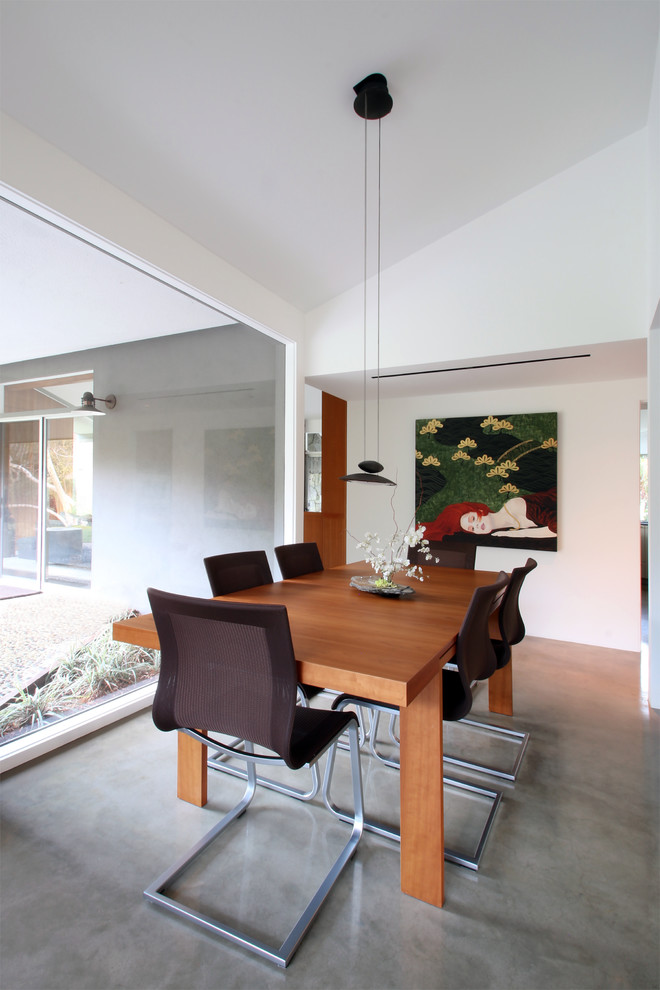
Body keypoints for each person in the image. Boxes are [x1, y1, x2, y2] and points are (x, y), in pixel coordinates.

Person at [423, 489, 556, 541]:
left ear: (481, 511)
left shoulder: (515, 506)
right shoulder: (504, 531)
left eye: (472, 519)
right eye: (471, 529)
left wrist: (516, 534)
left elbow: (558, 527)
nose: (475, 526)